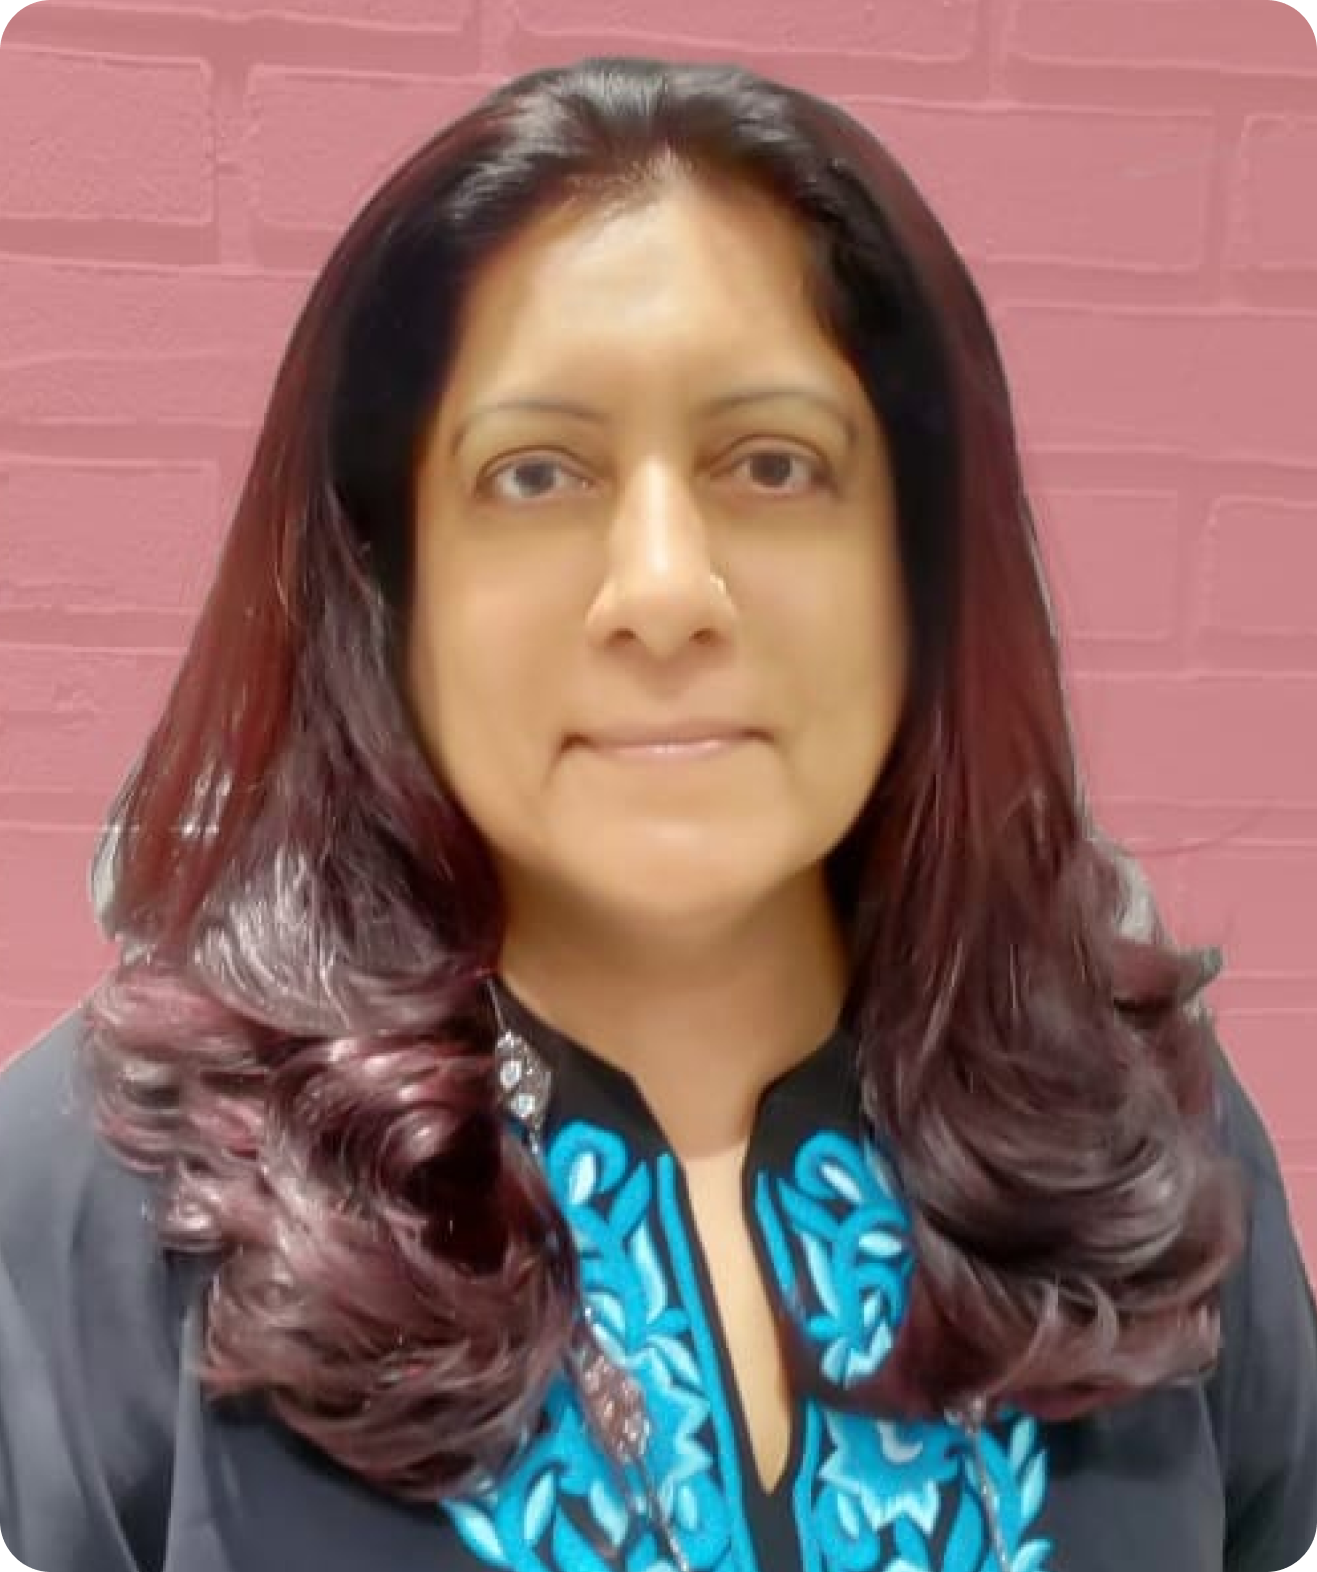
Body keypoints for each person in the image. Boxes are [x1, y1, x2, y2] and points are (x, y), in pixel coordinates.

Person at [1, 53, 1313, 1572]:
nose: (667, 592)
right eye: (536, 473)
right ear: (392, 576)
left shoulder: (1145, 1141)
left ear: (917, 570)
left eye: (774, 464)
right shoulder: (110, 1194)